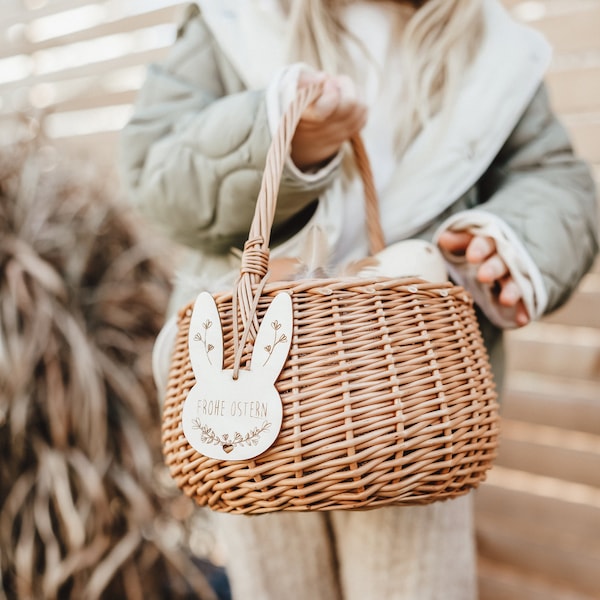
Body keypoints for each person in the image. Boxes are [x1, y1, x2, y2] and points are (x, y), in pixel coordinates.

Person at [118, 0, 599, 598]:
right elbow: (155, 176)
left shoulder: (488, 43)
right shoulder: (235, 16)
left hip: (409, 382)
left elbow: (552, 176)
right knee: (279, 586)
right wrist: (281, 141)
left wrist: (512, 238)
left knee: (414, 584)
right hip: (244, 371)